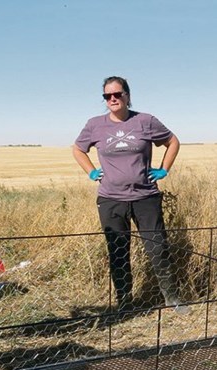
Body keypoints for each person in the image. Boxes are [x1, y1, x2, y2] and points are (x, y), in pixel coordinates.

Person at [72, 75, 188, 314]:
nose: (113, 99)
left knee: (158, 248)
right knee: (117, 250)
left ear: (127, 95)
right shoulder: (95, 124)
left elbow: (172, 141)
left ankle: (171, 297)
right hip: (111, 199)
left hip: (145, 197)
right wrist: (92, 172)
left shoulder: (145, 121)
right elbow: (78, 149)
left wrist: (164, 169)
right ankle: (125, 301)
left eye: (117, 94)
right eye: (107, 96)